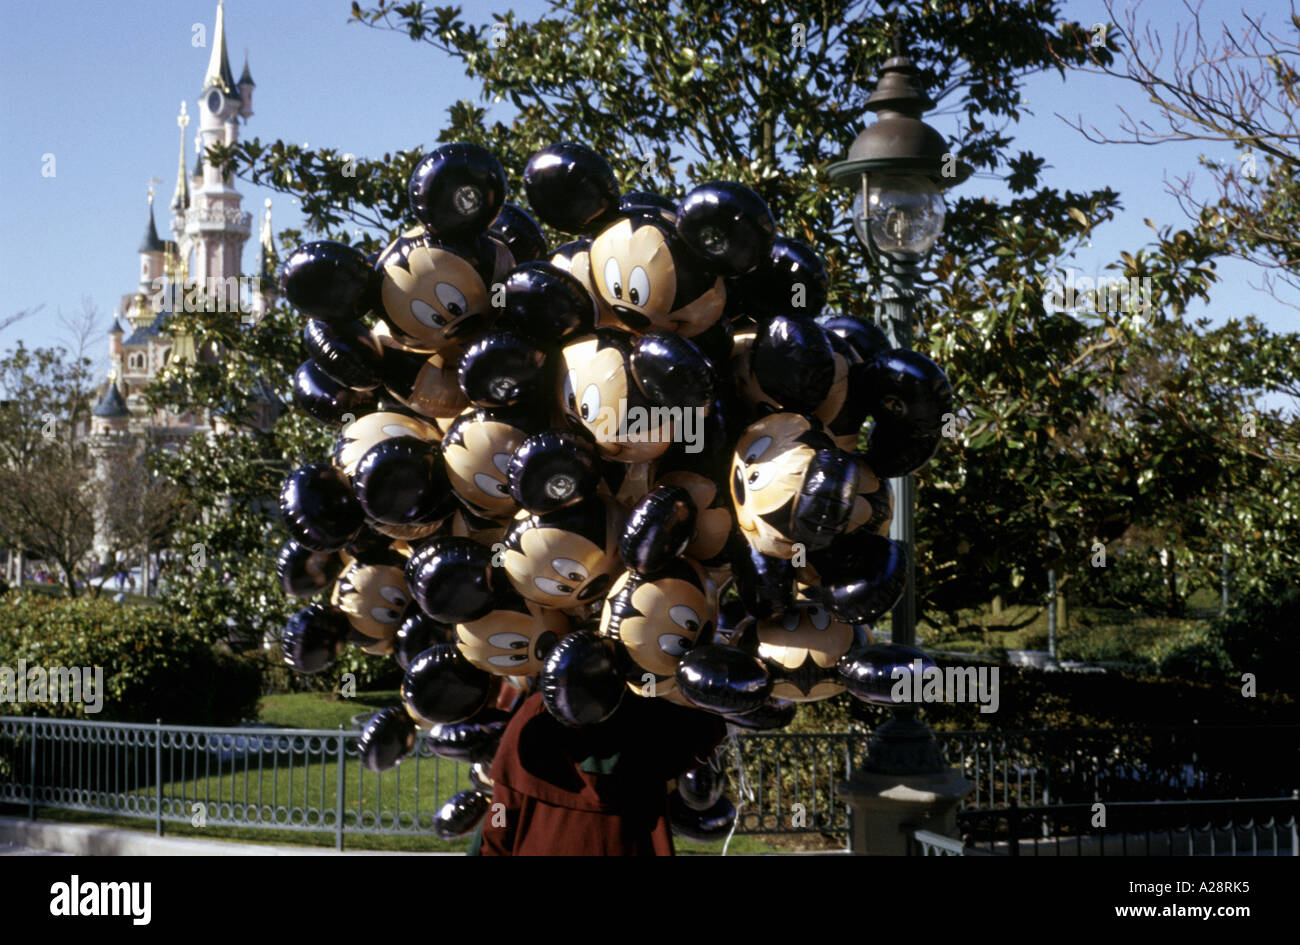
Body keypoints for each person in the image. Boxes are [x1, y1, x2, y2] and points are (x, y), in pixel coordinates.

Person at [471, 691, 727, 856]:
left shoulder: (537, 713)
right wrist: (652, 681)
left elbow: (502, 813)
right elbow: (708, 730)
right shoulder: (648, 717)